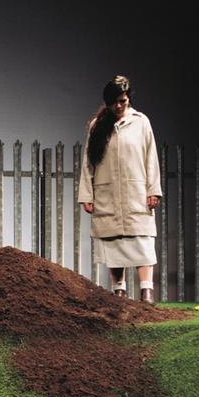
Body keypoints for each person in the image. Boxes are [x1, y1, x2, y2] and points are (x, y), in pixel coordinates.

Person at [78, 76, 162, 304]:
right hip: (107, 194)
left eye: (122, 101)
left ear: (128, 99)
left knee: (142, 240)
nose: (118, 105)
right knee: (113, 241)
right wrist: (86, 194)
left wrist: (153, 190)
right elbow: (88, 163)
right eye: (114, 101)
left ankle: (146, 291)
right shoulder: (97, 126)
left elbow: (151, 157)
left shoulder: (141, 122)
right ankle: (119, 291)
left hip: (136, 193)